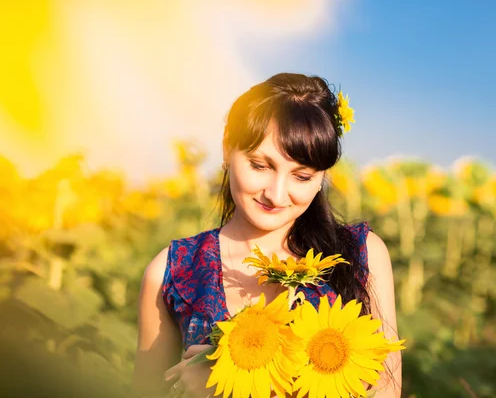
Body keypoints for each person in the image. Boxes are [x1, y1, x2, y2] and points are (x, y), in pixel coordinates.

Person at [133, 73, 401, 398]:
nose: (276, 194)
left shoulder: (361, 255)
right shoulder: (172, 271)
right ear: (227, 147)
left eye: (302, 176)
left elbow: (386, 388)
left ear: (322, 177)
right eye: (260, 166)